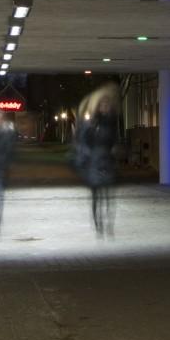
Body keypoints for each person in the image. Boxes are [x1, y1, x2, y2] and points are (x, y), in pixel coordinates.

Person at [70, 85, 121, 237]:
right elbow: (83, 141)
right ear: (98, 107)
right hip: (94, 162)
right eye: (102, 105)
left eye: (107, 105)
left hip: (107, 162)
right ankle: (98, 224)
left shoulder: (111, 124)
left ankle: (109, 224)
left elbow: (114, 141)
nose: (105, 107)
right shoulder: (92, 123)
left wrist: (115, 151)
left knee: (109, 196)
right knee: (96, 196)